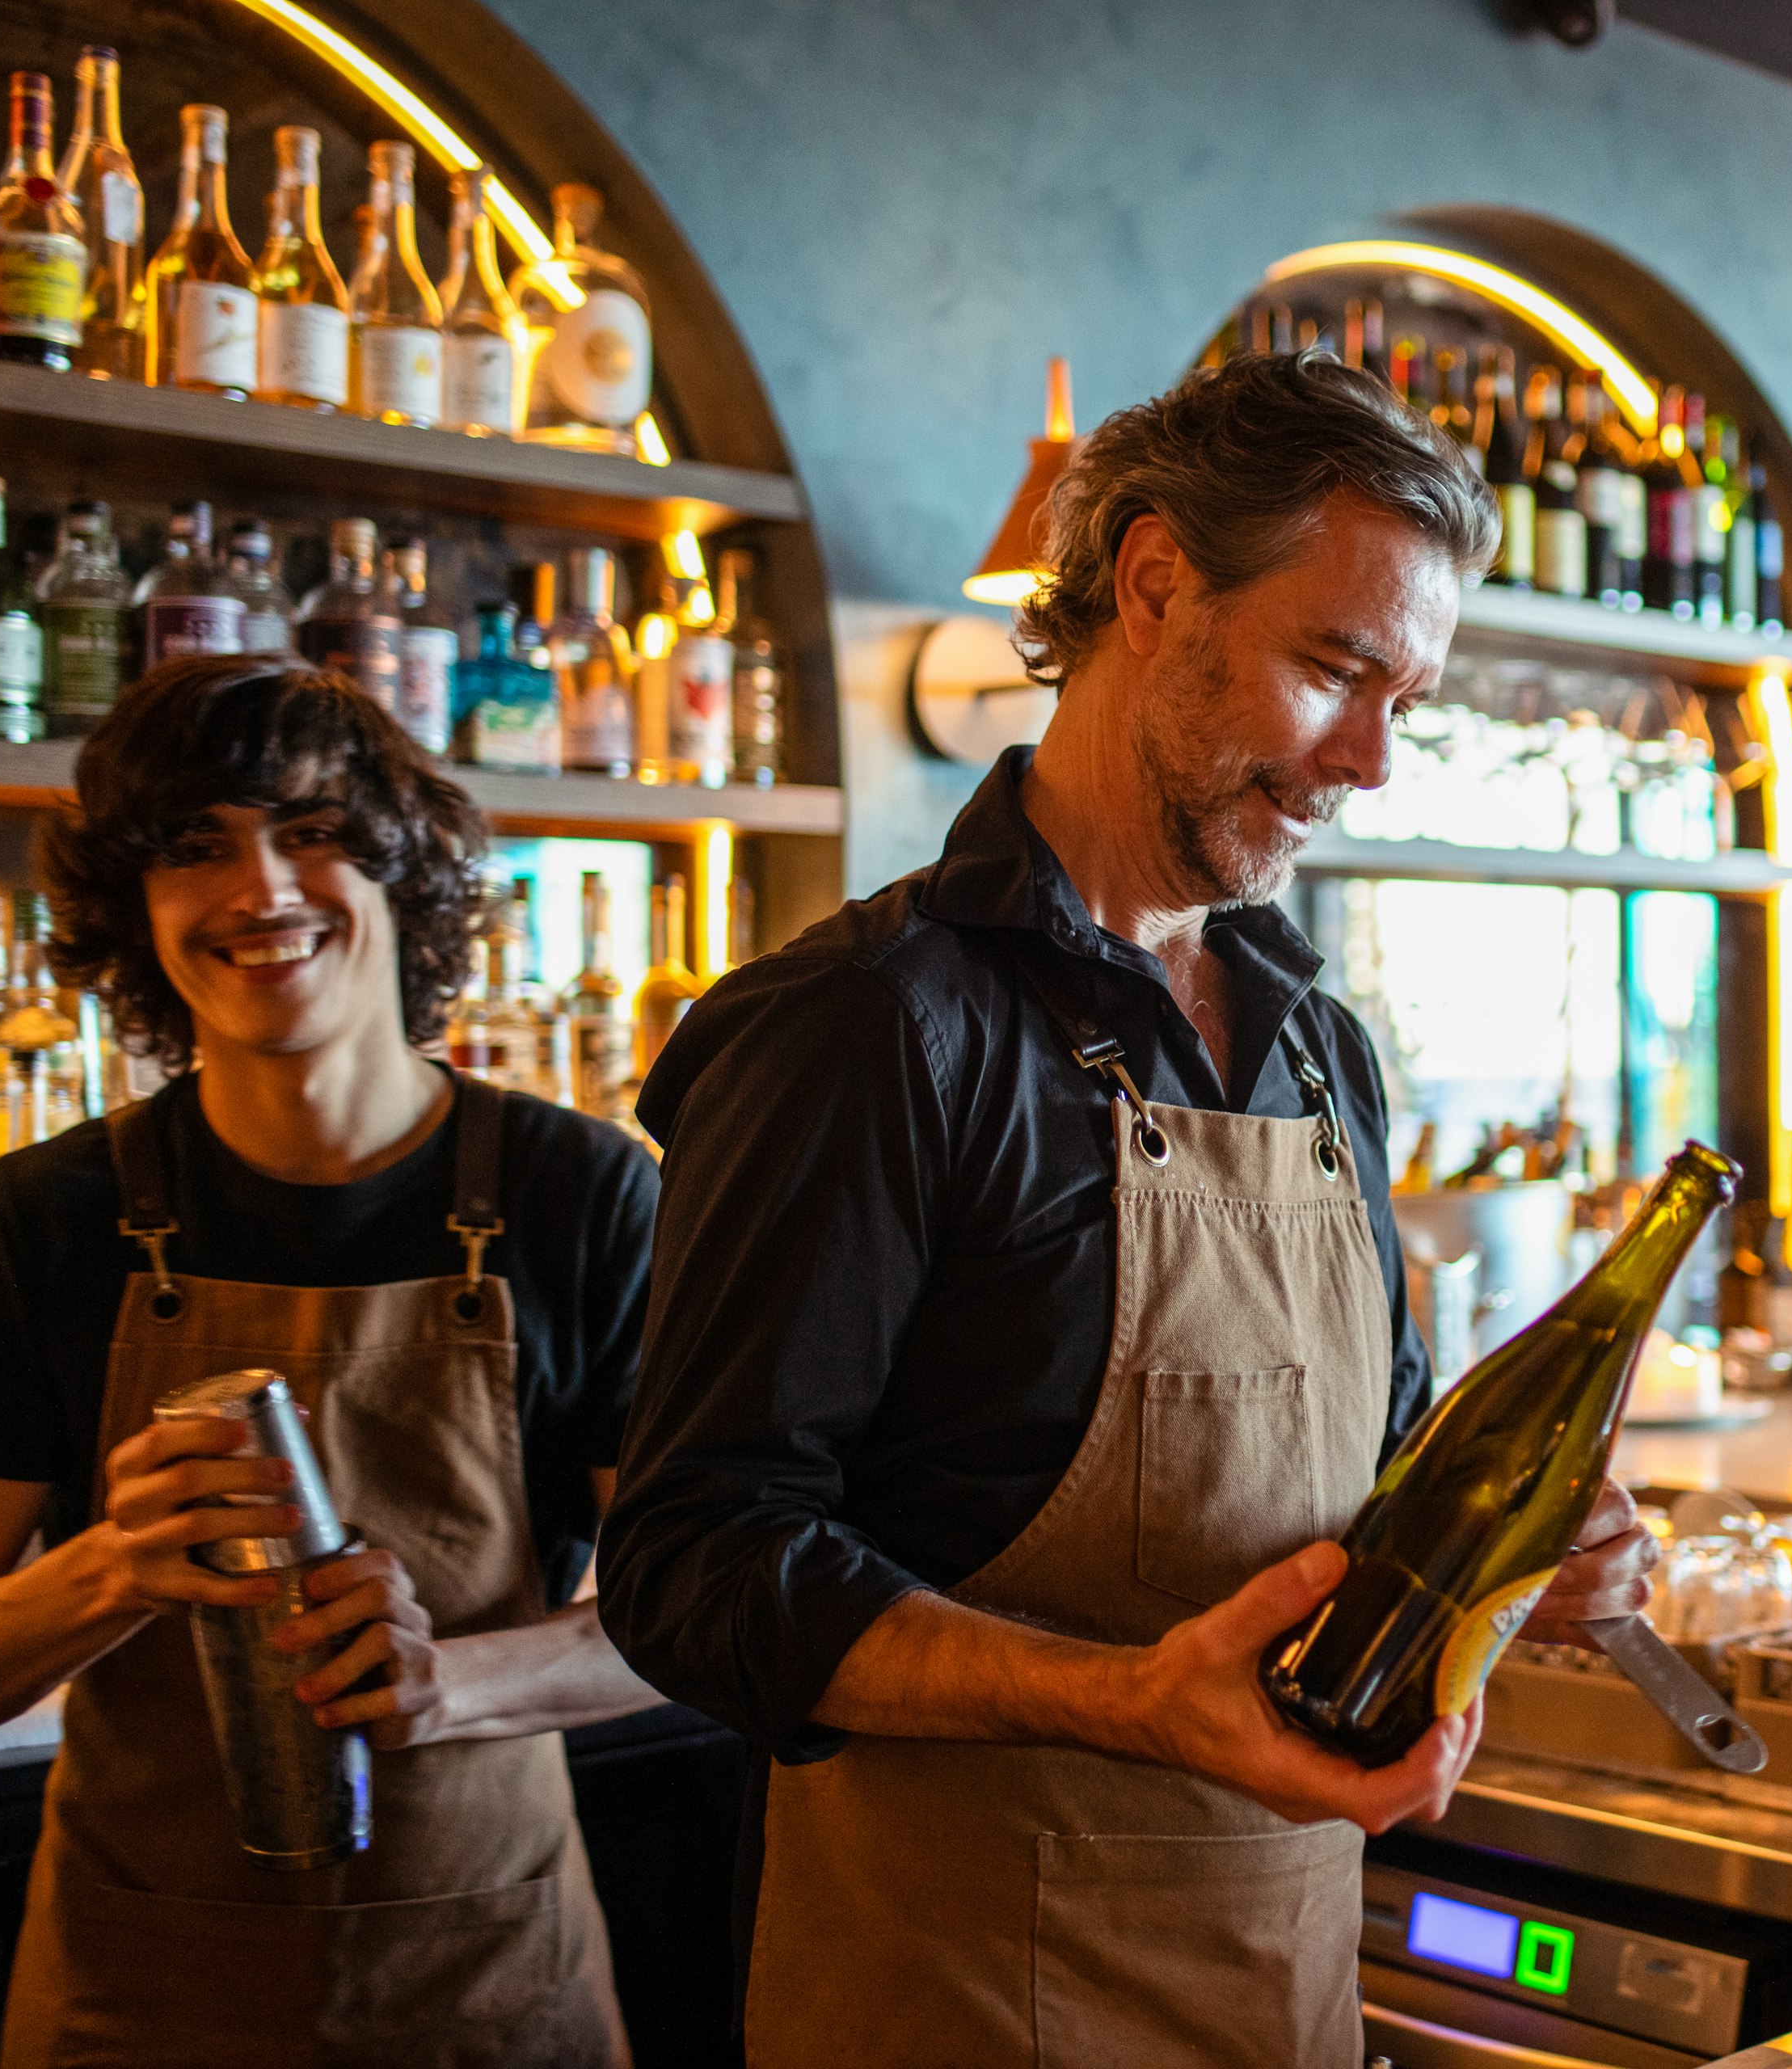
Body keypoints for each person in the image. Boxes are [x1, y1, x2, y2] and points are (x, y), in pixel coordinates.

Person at [602, 350, 1660, 2067]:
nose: (1373, 762)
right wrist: (1120, 1698)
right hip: (953, 2006)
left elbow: (1364, 1484)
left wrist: (1511, 1546)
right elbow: (689, 1560)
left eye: (1410, 700)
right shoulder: (871, 1024)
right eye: (1337, 668)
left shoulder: (1323, 1051)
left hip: (1285, 1984)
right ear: (1157, 582)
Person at [0, 657, 665, 2068]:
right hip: (142, 1994)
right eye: (194, 849)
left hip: (480, 1980)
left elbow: (704, 1615)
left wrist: (449, 1684)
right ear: (132, 914)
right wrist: (104, 1570)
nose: (260, 890)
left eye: (313, 832)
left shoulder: (580, 1193)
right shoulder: (44, 1221)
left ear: (405, 874)